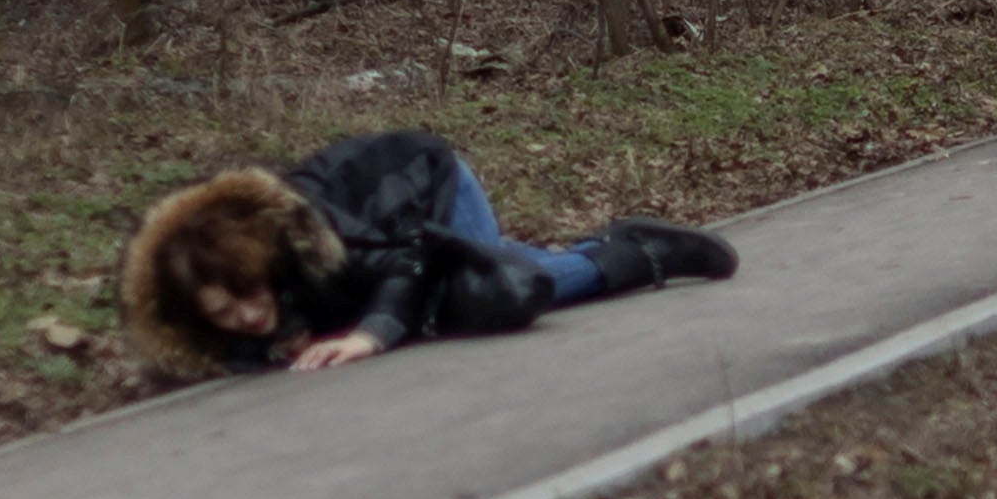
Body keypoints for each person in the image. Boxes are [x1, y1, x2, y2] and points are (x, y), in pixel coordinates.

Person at [122, 134, 736, 376]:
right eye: (224, 315)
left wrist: (371, 334)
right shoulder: (213, 306)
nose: (246, 317)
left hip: (428, 187)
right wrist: (265, 345)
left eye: (250, 297)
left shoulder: (307, 231)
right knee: (455, 289)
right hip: (393, 237)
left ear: (261, 265)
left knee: (489, 289)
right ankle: (599, 251)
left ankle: (635, 251)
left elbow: (406, 258)